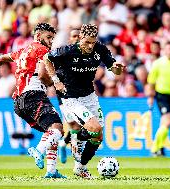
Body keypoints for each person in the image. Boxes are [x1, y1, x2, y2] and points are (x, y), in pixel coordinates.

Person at [0, 23, 66, 179]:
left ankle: (51, 171)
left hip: (19, 102)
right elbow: (45, 69)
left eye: (53, 38)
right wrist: (55, 80)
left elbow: (3, 57)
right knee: (57, 128)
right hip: (33, 95)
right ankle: (38, 150)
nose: (51, 41)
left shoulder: (23, 51)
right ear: (38, 36)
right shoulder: (42, 49)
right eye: (48, 37)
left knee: (51, 131)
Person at [42, 24, 125, 178]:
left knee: (98, 135)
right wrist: (55, 80)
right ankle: (72, 138)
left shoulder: (99, 49)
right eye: (87, 42)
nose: (90, 46)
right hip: (71, 98)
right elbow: (47, 58)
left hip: (90, 96)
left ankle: (80, 167)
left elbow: (113, 67)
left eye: (93, 42)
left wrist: (117, 68)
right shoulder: (68, 51)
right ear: (80, 38)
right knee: (93, 128)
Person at [57, 28, 83, 164]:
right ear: (70, 39)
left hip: (81, 94)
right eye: (74, 36)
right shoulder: (64, 54)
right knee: (75, 125)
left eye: (79, 36)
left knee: (80, 126)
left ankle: (63, 143)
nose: (77, 38)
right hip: (65, 94)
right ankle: (76, 158)